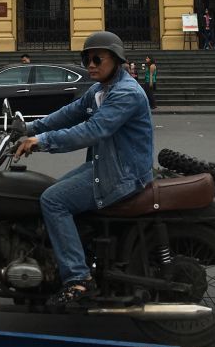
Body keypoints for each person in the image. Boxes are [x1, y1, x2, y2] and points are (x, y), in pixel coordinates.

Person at [14, 31, 154, 307]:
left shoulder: (126, 93)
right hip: (106, 165)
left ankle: (78, 279)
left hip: (121, 174)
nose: (90, 64)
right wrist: (30, 127)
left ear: (116, 60)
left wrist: (40, 142)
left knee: (53, 201)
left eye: (97, 58)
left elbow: (93, 130)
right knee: (50, 191)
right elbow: (71, 112)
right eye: (86, 59)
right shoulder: (101, 89)